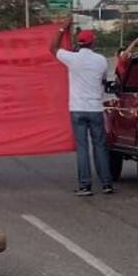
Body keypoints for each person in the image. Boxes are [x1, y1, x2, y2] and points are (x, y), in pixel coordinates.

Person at [50, 25, 113, 196]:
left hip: (77, 108)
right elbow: (103, 81)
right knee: (100, 146)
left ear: (79, 44)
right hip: (95, 108)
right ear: (93, 43)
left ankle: (85, 186)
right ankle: (107, 183)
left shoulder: (72, 59)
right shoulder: (101, 60)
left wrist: (63, 28)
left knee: (82, 147)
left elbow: (53, 48)